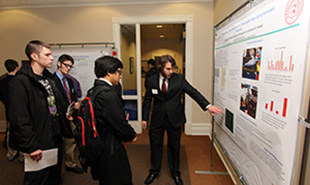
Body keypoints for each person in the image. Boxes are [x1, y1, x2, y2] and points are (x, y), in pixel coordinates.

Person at [142, 55, 223, 185]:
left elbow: (193, 92)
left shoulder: (179, 79)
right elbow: (147, 100)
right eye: (168, 69)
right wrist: (145, 118)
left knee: (174, 147)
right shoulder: (151, 80)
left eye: (172, 68)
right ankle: (154, 171)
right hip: (157, 119)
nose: (171, 71)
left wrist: (208, 106)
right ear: (161, 68)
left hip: (174, 119)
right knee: (155, 146)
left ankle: (175, 173)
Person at [8, 40, 63, 185]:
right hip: (37, 139)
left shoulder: (49, 79)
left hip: (53, 136)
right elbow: (19, 118)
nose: (52, 58)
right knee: (37, 179)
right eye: (47, 54)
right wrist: (31, 145)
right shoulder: (20, 82)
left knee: (54, 177)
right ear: (34, 56)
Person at [91, 56, 137, 185]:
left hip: (99, 143)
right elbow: (119, 122)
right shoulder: (108, 95)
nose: (120, 76)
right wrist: (131, 135)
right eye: (119, 72)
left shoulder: (94, 90)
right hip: (110, 147)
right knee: (119, 178)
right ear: (109, 73)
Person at [54, 54, 83, 174]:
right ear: (59, 64)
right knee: (56, 143)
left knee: (71, 140)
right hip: (56, 117)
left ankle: (70, 164)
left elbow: (71, 97)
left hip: (70, 116)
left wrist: (76, 105)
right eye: (66, 65)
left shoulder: (70, 81)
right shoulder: (51, 81)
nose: (68, 68)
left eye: (70, 66)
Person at [0, 59, 22, 161]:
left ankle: (11, 153)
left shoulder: (2, 80)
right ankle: (22, 155)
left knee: (10, 131)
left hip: (8, 109)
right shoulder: (20, 80)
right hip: (20, 110)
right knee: (21, 131)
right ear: (17, 67)